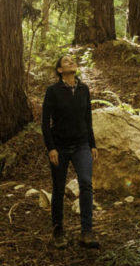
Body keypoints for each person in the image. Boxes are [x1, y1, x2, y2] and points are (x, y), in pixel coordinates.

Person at [41, 54, 99, 249]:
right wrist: (51, 148)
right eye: (66, 61)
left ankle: (87, 231)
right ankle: (58, 232)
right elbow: (45, 123)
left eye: (73, 60)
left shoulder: (83, 89)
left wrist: (92, 145)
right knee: (58, 189)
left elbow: (87, 119)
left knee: (86, 183)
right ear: (59, 70)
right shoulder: (53, 91)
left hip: (82, 145)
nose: (71, 62)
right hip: (60, 146)